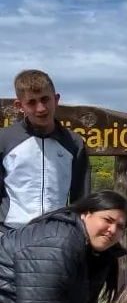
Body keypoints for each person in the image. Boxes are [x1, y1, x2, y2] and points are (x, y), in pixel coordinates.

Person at [0, 69, 90, 230]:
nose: (40, 108)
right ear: (19, 106)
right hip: (10, 234)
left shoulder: (74, 143)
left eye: (45, 99)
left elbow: (81, 198)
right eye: (32, 102)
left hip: (56, 234)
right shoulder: (4, 140)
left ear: (56, 100)